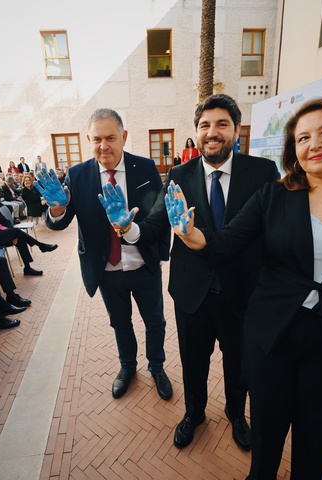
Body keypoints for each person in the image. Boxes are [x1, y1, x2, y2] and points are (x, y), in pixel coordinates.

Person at [165, 97, 322, 478]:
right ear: (294, 150)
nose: (313, 143)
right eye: (303, 138)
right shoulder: (276, 196)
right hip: (272, 334)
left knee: (317, 445)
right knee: (266, 436)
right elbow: (229, 242)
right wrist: (191, 235)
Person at [99, 94, 280, 451]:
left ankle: (235, 414)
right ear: (196, 132)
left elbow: (274, 234)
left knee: (239, 364)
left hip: (242, 294)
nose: (212, 132)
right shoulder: (179, 175)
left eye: (221, 124)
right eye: (204, 126)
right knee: (192, 361)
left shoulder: (262, 173)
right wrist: (127, 228)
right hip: (192, 293)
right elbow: (153, 225)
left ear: (236, 130)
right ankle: (194, 413)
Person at [35, 108, 172, 401]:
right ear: (88, 139)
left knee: (155, 321)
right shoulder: (77, 175)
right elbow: (60, 220)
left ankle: (157, 366)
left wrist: (154, 247)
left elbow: (159, 216)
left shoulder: (146, 168)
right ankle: (127, 366)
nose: (103, 145)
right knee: (119, 322)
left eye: (110, 137)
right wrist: (57, 209)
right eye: (97, 139)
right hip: (106, 269)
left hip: (143, 264)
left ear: (123, 137)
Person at [0, 190, 57, 276]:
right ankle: (40, 245)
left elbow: (6, 222)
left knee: (20, 239)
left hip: (0, 234)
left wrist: (11, 235)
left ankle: (27, 268)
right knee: (16, 231)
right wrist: (11, 233)